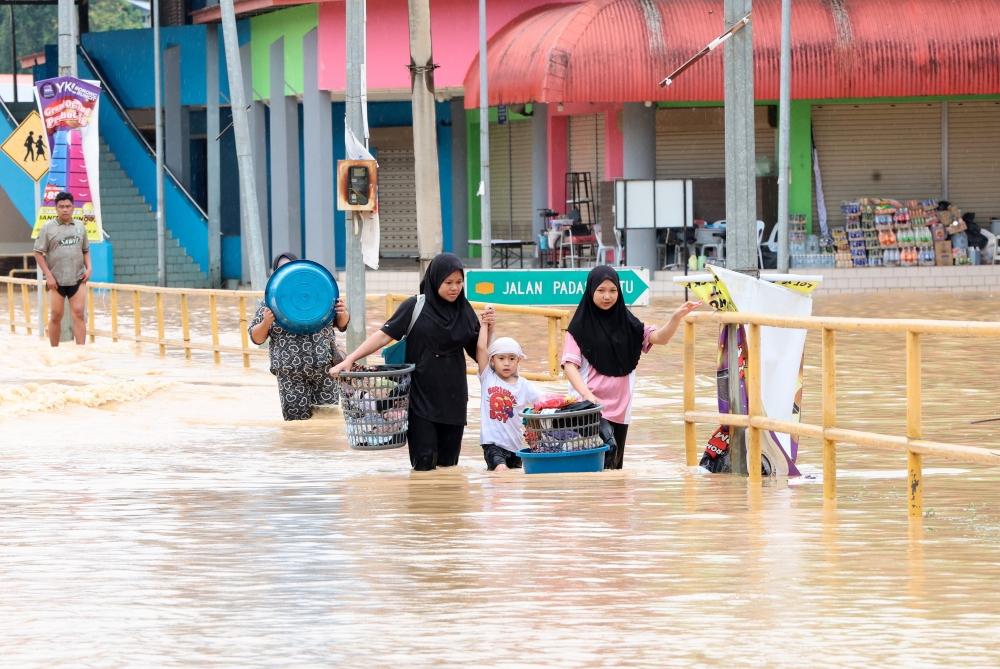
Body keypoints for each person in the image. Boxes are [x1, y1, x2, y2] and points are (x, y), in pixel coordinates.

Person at [331, 253, 480, 471]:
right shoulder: (415, 307)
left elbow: (479, 353)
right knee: (424, 465)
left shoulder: (465, 313)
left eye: (459, 282)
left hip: (454, 402)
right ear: (435, 280)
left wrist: (490, 332)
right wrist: (351, 359)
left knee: (449, 468)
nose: (454, 288)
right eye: (448, 282)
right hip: (419, 400)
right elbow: (383, 335)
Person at [562, 265, 701, 470]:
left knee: (615, 467)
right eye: (600, 290)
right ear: (590, 291)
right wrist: (586, 394)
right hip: (589, 407)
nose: (607, 296)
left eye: (613, 290)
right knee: (606, 451)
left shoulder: (629, 324)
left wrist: (676, 317)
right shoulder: (578, 328)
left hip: (620, 409)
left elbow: (660, 338)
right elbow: (569, 366)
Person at [249, 252, 350, 421]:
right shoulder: (270, 302)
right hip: (290, 373)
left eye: (290, 267)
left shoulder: (320, 295)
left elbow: (341, 325)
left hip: (324, 369)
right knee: (297, 424)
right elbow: (257, 338)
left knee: (327, 420)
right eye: (282, 269)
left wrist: (342, 312)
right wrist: (266, 322)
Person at [476, 309, 542, 471]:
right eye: (501, 358)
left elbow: (544, 402)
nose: (506, 363)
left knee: (512, 486)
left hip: (516, 446)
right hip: (493, 444)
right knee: (501, 472)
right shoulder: (488, 377)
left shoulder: (524, 385)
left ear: (519, 360)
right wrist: (485, 324)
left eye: (511, 358)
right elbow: (481, 348)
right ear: (492, 361)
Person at [34, 192, 91, 347]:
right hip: (56, 281)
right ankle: (54, 350)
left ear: (73, 208)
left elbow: (85, 250)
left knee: (79, 314)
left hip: (78, 278)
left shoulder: (80, 226)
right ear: (56, 209)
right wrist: (49, 276)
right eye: (61, 207)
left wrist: (89, 268)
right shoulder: (47, 228)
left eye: (68, 206)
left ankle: (81, 351)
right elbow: (38, 253)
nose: (65, 210)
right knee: (56, 316)